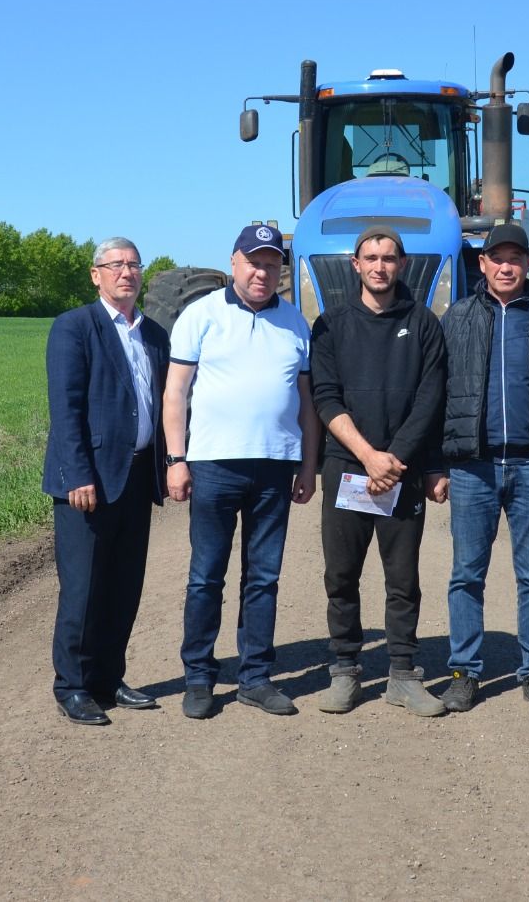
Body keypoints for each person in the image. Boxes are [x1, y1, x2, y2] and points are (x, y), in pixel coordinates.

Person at [429, 222, 529, 714]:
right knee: (465, 575)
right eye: (496, 257)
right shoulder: (456, 318)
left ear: (527, 264)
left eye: (515, 257)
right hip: (473, 468)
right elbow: (434, 396)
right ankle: (464, 673)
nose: (505, 266)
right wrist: (436, 464)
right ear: (482, 263)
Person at [163, 224, 321, 719]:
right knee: (206, 577)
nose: (262, 271)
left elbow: (308, 405)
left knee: (264, 578)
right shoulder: (201, 315)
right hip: (213, 466)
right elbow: (176, 394)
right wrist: (176, 459)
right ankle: (199, 676)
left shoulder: (296, 322)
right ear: (234, 262)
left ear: (281, 270)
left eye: (272, 263)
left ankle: (255, 677)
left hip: (275, 466)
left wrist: (308, 466)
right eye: (254, 261)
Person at [309, 226, 448, 716]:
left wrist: (395, 459)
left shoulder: (425, 324)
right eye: (371, 257)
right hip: (347, 471)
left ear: (402, 264)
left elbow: (430, 399)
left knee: (402, 578)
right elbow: (326, 397)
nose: (380, 266)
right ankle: (345, 670)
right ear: (356, 264)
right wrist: (369, 456)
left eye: (389, 258)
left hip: (402, 471)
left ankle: (402, 675)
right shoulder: (330, 325)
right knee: (341, 575)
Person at [41, 237, 169, 726]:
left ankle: (108, 679)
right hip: (88, 482)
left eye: (134, 264)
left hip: (136, 478)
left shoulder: (154, 334)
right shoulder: (75, 327)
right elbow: (66, 409)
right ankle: (72, 686)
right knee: (83, 588)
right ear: (96, 275)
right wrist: (78, 475)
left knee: (123, 585)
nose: (126, 272)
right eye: (115, 265)